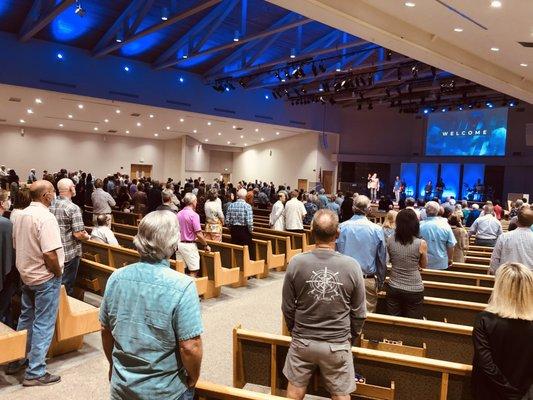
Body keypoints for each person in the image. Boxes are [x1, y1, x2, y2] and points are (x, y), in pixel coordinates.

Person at [99, 211, 203, 400]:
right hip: (164, 391)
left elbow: (106, 331)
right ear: (173, 243)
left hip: (122, 386)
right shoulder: (183, 285)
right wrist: (194, 377)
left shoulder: (116, 277)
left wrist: (113, 367)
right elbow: (190, 346)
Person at [282, 209, 366, 400]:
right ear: (337, 234)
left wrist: (294, 331)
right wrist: (348, 339)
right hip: (337, 343)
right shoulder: (352, 266)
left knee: (294, 392)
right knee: (341, 395)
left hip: (303, 341)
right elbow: (359, 312)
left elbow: (287, 307)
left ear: (312, 232)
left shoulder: (296, 263)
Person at [6, 180, 64, 385]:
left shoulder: (20, 215)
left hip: (27, 275)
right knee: (43, 324)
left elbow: (16, 244)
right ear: (46, 195)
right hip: (45, 277)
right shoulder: (46, 218)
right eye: (53, 192)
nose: (55, 195)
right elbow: (49, 253)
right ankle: (36, 372)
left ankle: (16, 360)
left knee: (26, 319)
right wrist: (57, 273)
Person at [471, 262, 533, 400]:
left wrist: (510, 393)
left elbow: (487, 365)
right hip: (524, 394)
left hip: (489, 392)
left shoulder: (484, 320)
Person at [337, 195, 386, 313]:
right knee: (367, 318)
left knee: (343, 314)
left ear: (353, 208)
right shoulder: (376, 229)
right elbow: (381, 258)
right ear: (369, 209)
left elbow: (335, 253)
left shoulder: (341, 227)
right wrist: (380, 280)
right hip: (366, 279)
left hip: (343, 278)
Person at [49, 178, 90, 296]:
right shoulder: (73, 208)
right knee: (66, 287)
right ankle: (64, 312)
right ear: (70, 188)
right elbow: (78, 234)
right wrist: (86, 237)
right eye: (74, 186)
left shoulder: (51, 204)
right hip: (69, 253)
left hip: (54, 250)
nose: (75, 188)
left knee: (55, 284)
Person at [386, 209, 428, 319]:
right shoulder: (421, 243)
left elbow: (390, 259)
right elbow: (424, 265)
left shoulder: (390, 240)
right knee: (412, 324)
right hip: (414, 287)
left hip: (394, 284)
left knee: (393, 320)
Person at [489, 206, 533, 274]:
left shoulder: (504, 237)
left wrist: (497, 276)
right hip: (529, 279)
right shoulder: (504, 237)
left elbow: (494, 260)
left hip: (506, 277)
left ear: (517, 220)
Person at [176, 193, 211, 278]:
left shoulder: (178, 214)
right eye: (196, 200)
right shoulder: (194, 215)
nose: (197, 202)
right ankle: (190, 289)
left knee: (181, 270)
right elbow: (199, 234)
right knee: (194, 269)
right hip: (189, 245)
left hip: (179, 244)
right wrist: (205, 245)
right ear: (192, 202)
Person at [420, 201, 457, 270]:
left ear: (426, 212)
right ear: (437, 212)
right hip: (441, 263)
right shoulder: (445, 226)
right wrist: (450, 259)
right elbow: (451, 245)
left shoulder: (419, 225)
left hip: (421, 263)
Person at [0, 189, 18, 326]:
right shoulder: (6, 224)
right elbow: (11, 253)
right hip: (5, 276)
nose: (9, 202)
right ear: (2, 203)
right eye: (8, 199)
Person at [225, 188, 254, 258]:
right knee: (246, 253)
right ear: (245, 196)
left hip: (234, 230)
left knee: (235, 251)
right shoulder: (247, 206)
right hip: (244, 231)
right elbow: (249, 222)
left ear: (237, 196)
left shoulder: (231, 205)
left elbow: (227, 221)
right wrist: (251, 231)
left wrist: (231, 228)